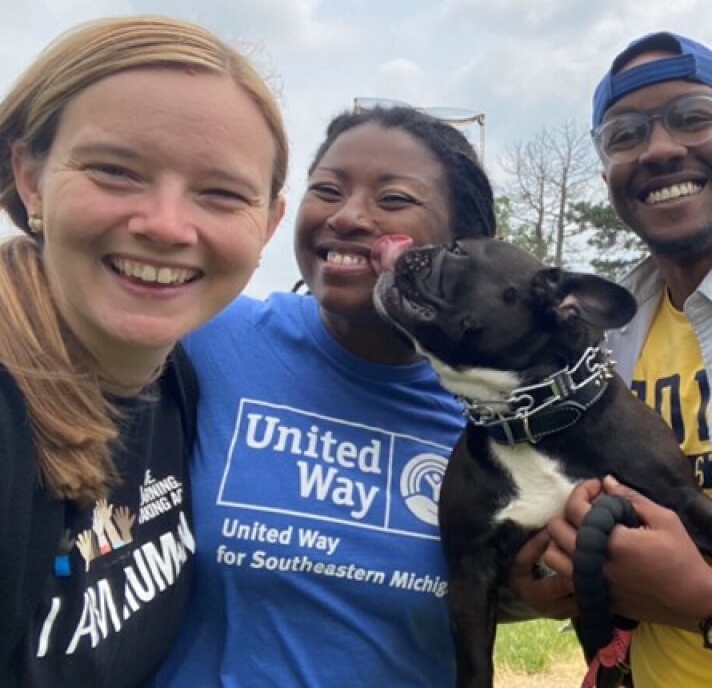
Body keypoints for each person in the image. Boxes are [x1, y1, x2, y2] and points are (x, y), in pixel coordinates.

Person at [0, 15, 287, 687]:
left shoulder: (186, 376)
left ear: (268, 224)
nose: (164, 224)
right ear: (31, 177)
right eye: (115, 171)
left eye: (221, 193)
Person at [155, 105, 497, 686]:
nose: (348, 216)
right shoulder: (209, 338)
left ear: (463, 246)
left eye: (393, 200)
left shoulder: (490, 415)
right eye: (327, 189)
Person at [531, 31, 712, 686]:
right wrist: (544, 582)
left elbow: (682, 592)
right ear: (609, 180)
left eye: (692, 117)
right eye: (625, 135)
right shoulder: (597, 340)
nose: (658, 148)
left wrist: (711, 601)